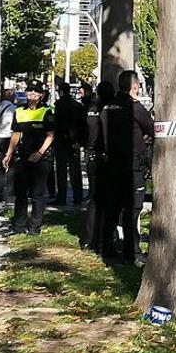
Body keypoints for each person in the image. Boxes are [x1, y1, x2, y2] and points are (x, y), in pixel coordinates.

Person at [100, 70, 154, 266]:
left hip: (111, 164)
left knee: (112, 207)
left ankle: (107, 249)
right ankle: (132, 252)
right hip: (132, 166)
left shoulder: (107, 107)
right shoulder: (136, 108)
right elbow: (152, 128)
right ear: (135, 86)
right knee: (132, 209)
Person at [3, 79, 55, 236]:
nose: (32, 94)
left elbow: (51, 135)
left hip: (41, 158)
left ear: (41, 95)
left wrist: (39, 153)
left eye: (36, 91)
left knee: (37, 194)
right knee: (21, 193)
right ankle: (19, 224)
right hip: (23, 157)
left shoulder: (47, 111)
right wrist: (9, 152)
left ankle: (34, 226)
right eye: (30, 90)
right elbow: (16, 134)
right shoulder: (19, 111)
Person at [79, 81, 115, 252]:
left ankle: (87, 240)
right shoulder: (110, 110)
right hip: (105, 156)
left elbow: (83, 132)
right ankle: (103, 240)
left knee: (94, 199)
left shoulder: (89, 109)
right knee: (108, 200)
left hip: (91, 154)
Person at [53, 82, 86, 205]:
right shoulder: (78, 106)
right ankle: (78, 196)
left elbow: (58, 124)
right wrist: (79, 141)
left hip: (61, 141)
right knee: (75, 170)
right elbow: (83, 125)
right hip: (74, 142)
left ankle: (61, 197)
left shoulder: (59, 105)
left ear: (60, 91)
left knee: (61, 170)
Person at [0, 89, 16, 202]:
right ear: (11, 97)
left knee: (0, 168)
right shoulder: (14, 110)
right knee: (11, 167)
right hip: (9, 138)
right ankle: (10, 194)